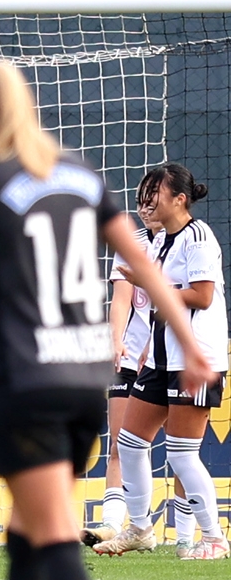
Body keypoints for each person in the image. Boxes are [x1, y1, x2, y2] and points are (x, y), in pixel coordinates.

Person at [0, 62, 213, 580]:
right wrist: (190, 343)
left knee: (51, 531)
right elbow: (142, 265)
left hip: (25, 377)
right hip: (83, 379)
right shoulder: (79, 172)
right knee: (27, 531)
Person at [93, 163, 229, 561]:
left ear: (180, 199)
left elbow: (202, 296)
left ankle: (214, 537)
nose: (148, 200)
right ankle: (139, 528)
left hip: (195, 359)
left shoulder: (198, 238)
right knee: (131, 442)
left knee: (182, 454)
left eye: (156, 192)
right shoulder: (157, 242)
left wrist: (151, 284)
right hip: (159, 358)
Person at [80, 197, 198, 555]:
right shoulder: (132, 244)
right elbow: (121, 300)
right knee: (122, 441)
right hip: (132, 358)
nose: (146, 209)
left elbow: (196, 297)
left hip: (173, 357)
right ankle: (116, 523)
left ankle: (187, 535)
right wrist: (116, 341)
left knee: (181, 452)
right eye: (141, 203)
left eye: (153, 201)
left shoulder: (191, 242)